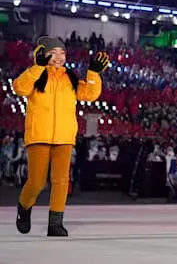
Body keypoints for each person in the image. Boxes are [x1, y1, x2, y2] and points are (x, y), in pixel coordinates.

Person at [14, 36, 109, 237]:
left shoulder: (70, 78)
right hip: (39, 135)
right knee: (37, 182)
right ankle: (24, 207)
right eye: (53, 52)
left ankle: (55, 223)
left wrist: (93, 73)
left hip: (64, 136)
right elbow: (20, 87)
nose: (58, 56)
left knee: (61, 181)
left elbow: (90, 94)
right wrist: (37, 67)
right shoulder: (36, 75)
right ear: (42, 53)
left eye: (62, 53)